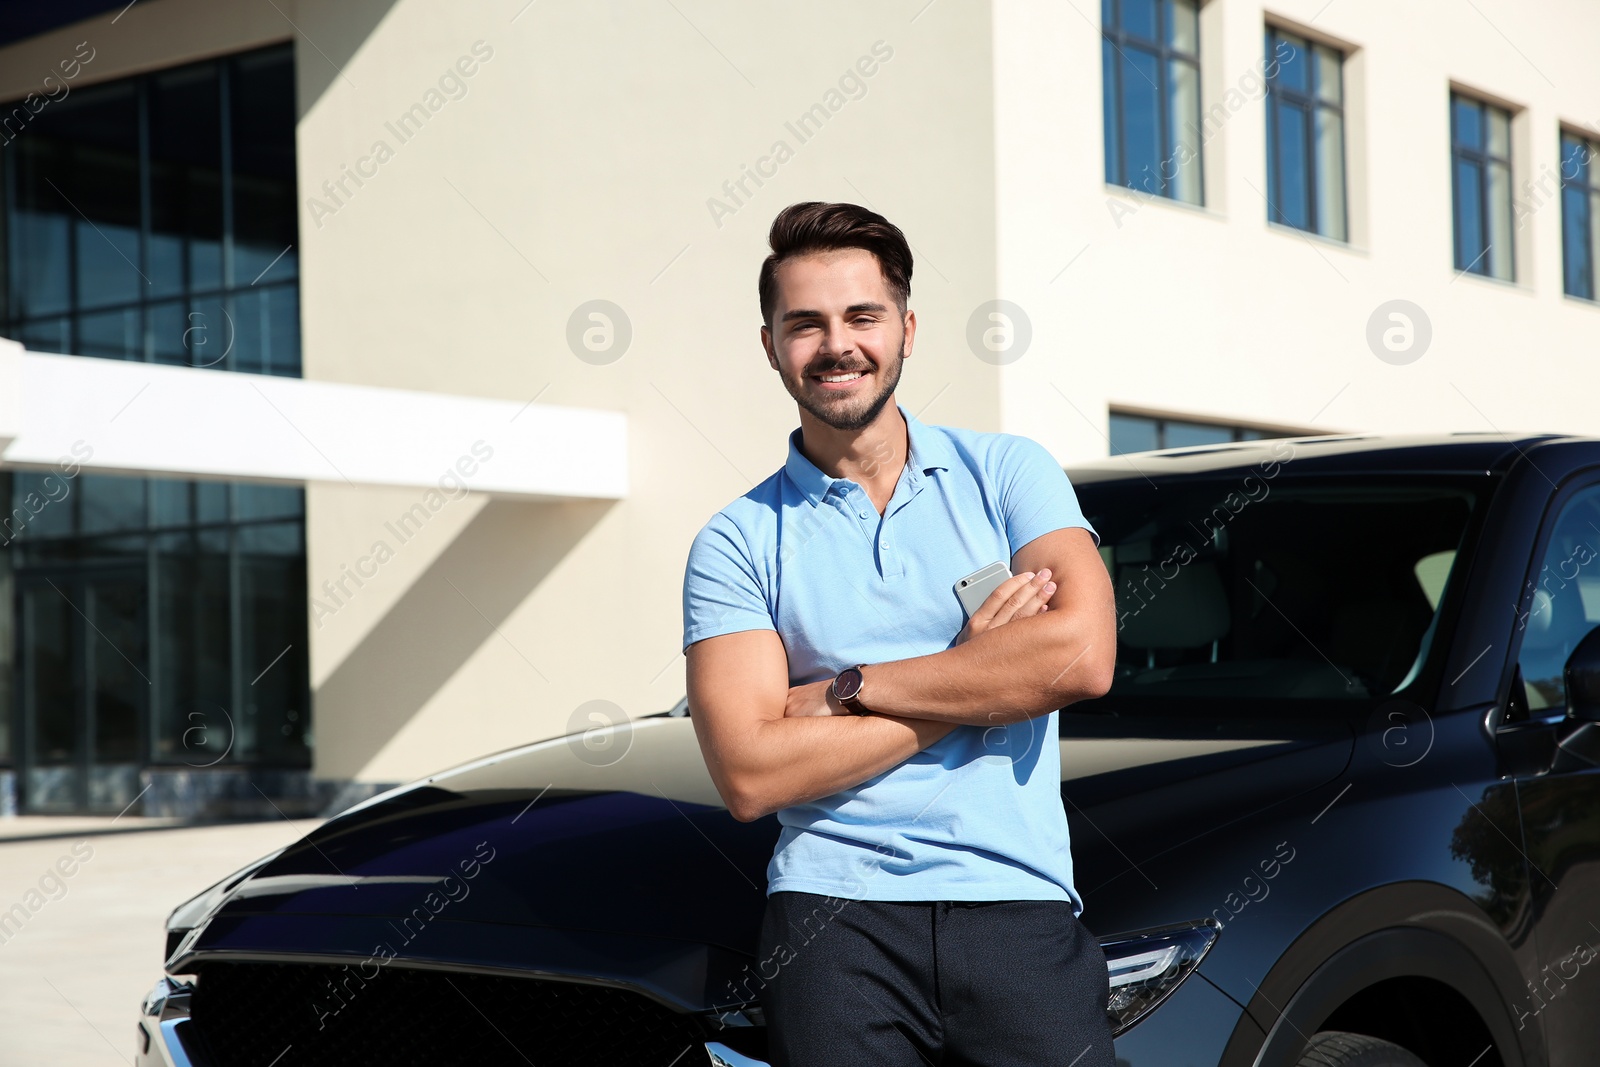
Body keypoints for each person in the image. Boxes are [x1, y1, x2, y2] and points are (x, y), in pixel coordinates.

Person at [680, 200, 1119, 1067]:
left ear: (907, 330)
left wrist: (850, 689)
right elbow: (750, 771)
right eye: (804, 323)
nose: (836, 343)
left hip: (1017, 904)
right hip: (830, 924)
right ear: (770, 344)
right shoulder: (735, 539)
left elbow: (1082, 654)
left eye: (861, 316)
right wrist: (982, 676)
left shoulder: (1008, 472)